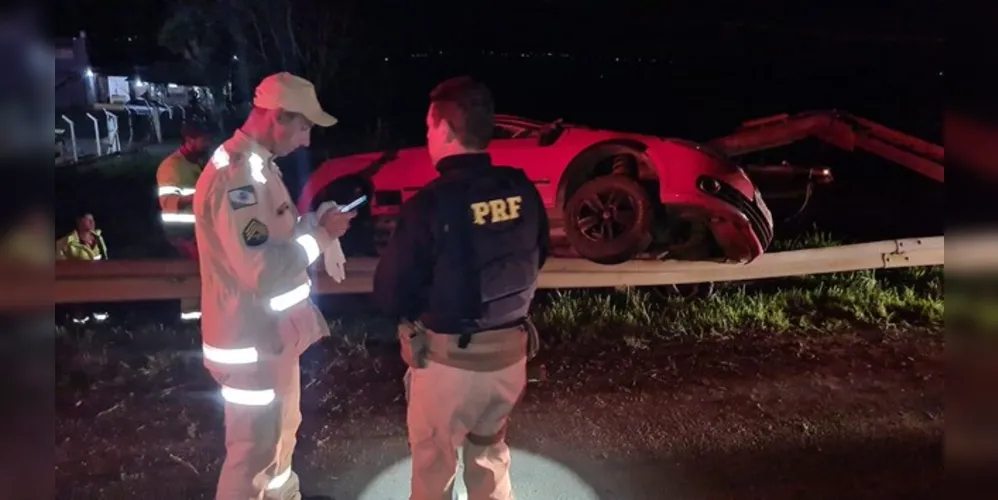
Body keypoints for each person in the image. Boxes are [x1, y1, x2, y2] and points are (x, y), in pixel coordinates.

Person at [373, 76, 549, 500]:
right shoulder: (522, 189)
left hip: (450, 368)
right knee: (490, 459)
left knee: (434, 471)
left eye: (430, 127)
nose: (428, 135)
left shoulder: (431, 203)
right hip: (509, 363)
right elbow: (538, 254)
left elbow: (391, 291)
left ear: (447, 130)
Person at [193, 71, 354, 500]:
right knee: (253, 459)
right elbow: (262, 269)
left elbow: (273, 240)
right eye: (303, 128)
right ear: (277, 117)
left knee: (279, 444)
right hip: (251, 344)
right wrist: (320, 237)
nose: (306, 141)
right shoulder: (238, 178)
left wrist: (314, 224)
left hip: (272, 340)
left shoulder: (259, 168)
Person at [158, 122, 212, 320]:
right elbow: (168, 202)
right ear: (189, 140)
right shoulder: (171, 166)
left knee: (201, 275)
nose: (207, 143)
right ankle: (191, 320)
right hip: (181, 231)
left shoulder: (199, 163)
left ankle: (201, 318)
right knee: (193, 275)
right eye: (203, 139)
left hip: (197, 231)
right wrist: (201, 196)